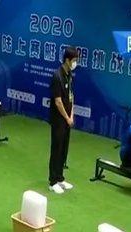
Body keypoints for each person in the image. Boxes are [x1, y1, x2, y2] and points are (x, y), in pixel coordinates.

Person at [48, 47, 78, 194]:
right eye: (74, 60)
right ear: (67, 60)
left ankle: (60, 178)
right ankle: (52, 181)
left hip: (67, 120)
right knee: (56, 149)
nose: (76, 63)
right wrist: (66, 117)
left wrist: (71, 116)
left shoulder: (69, 75)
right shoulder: (57, 76)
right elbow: (58, 101)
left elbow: (71, 96)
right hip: (58, 119)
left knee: (64, 149)